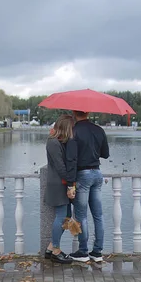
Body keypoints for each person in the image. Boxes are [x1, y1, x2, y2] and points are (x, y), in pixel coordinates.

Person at [69, 110, 109, 263]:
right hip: (97, 174)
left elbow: (72, 160)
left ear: (74, 113)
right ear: (88, 112)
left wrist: (70, 184)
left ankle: (83, 251)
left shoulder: (74, 132)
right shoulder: (99, 130)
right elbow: (105, 154)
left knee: (81, 216)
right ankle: (97, 252)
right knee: (98, 215)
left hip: (82, 175)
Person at [43, 114, 78, 264]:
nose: (73, 131)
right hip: (58, 184)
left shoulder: (58, 141)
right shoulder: (53, 143)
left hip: (61, 183)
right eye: (72, 128)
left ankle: (51, 248)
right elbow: (60, 166)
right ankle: (56, 250)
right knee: (62, 216)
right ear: (66, 127)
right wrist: (71, 183)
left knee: (67, 215)